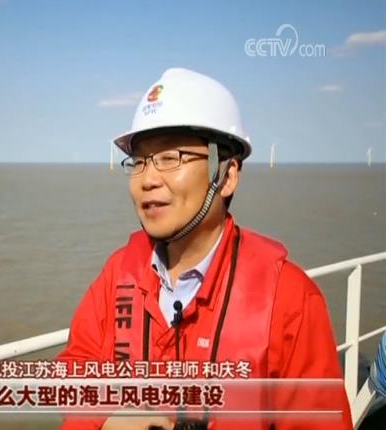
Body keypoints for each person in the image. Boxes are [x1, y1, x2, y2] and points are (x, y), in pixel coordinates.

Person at [56, 68, 352, 430]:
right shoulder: (119, 273)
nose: (148, 179)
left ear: (226, 175)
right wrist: (105, 420)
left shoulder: (288, 299)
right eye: (139, 162)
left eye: (171, 157)